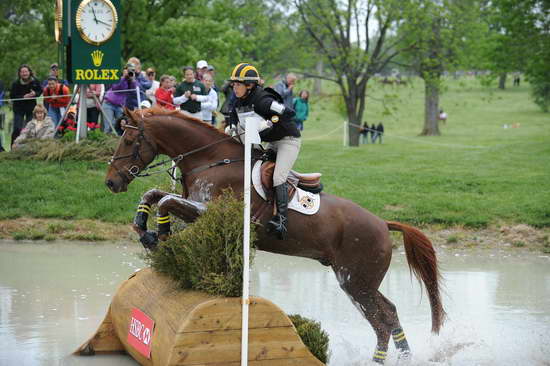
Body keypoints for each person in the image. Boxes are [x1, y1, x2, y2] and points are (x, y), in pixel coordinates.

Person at [228, 63, 301, 240]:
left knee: (278, 177)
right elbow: (232, 116)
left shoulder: (263, 100)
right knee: (256, 170)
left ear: (250, 85)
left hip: (287, 141)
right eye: (233, 84)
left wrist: (270, 122)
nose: (234, 87)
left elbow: (289, 113)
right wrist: (231, 128)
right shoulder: (239, 100)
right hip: (271, 142)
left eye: (238, 84)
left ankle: (282, 221)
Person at [9, 64, 43, 145]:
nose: (24, 73)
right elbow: (12, 96)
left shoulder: (35, 81)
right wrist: (23, 97)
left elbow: (40, 91)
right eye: (22, 72)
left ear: (29, 72)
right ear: (19, 73)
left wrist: (35, 93)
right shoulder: (15, 83)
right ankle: (13, 146)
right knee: (17, 128)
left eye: (26, 71)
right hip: (18, 109)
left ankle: (28, 146)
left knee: (30, 128)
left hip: (31, 108)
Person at [101, 63, 137, 134]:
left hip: (119, 106)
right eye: (128, 70)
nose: (130, 72)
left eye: (132, 70)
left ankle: (118, 141)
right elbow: (115, 87)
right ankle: (106, 142)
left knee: (121, 125)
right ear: (124, 70)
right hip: (108, 104)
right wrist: (124, 77)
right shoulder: (118, 78)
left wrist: (132, 79)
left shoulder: (130, 81)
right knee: (108, 126)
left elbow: (133, 91)